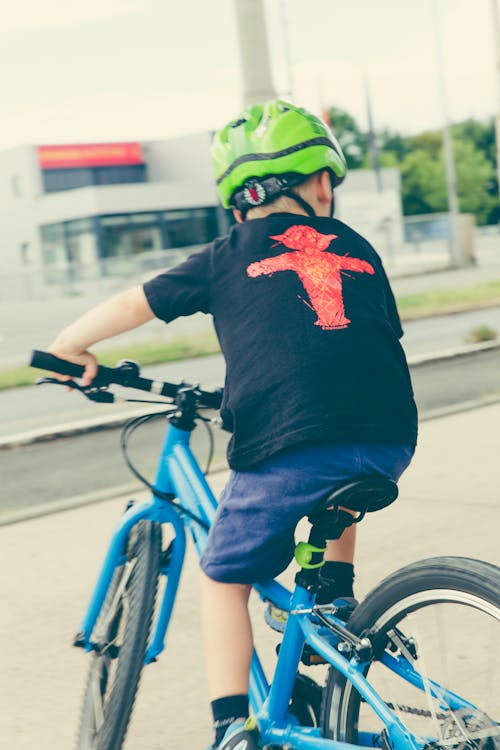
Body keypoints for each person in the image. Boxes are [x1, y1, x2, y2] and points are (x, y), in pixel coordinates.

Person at [48, 100, 417, 750]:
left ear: (239, 200)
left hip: (292, 443)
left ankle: (231, 729)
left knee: (224, 578)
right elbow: (360, 342)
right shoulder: (359, 248)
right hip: (389, 436)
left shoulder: (227, 253)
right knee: (339, 467)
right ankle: (332, 598)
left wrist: (67, 348)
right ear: (321, 185)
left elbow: (136, 303)